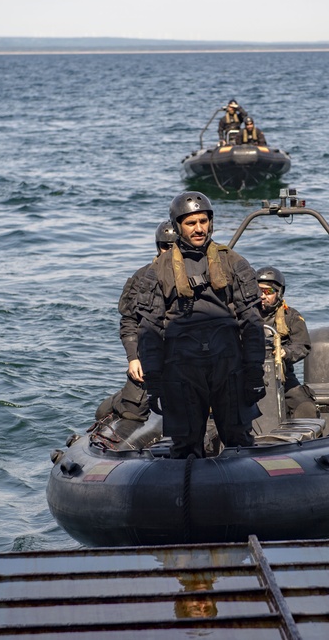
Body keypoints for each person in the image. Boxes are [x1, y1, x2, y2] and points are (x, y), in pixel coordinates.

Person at [137, 191, 266, 459]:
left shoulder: (233, 262)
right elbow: (150, 330)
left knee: (239, 441)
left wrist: (254, 372)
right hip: (182, 370)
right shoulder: (159, 270)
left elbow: (251, 321)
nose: (199, 228)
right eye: (191, 223)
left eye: (203, 221)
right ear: (177, 226)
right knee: (184, 447)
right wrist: (154, 381)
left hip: (228, 366)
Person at [95, 220, 179, 422]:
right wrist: (133, 358)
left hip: (186, 355)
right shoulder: (142, 278)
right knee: (133, 412)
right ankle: (117, 401)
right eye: (165, 246)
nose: (170, 251)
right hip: (150, 354)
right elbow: (129, 321)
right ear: (158, 246)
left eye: (175, 246)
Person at [256, 266, 319, 420]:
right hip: (247, 375)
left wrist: (286, 352)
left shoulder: (291, 316)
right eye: (259, 291)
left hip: (283, 377)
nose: (263, 296)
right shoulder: (244, 315)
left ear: (279, 293)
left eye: (268, 292)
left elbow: (302, 345)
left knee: (306, 407)